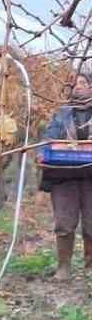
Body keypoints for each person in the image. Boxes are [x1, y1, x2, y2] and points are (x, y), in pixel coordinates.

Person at [41, 70, 92, 279]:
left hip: (91, 176)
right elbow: (48, 138)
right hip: (64, 175)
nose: (78, 86)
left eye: (83, 82)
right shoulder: (61, 114)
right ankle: (64, 268)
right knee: (64, 221)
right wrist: (42, 153)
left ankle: (90, 267)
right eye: (75, 83)